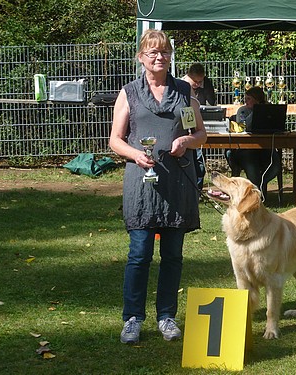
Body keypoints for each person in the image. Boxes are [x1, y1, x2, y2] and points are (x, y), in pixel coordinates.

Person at [109, 29, 207, 344]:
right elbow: (114, 140)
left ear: (170, 56)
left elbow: (200, 135)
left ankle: (167, 317)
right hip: (142, 185)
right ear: (141, 57)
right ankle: (133, 319)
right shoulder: (128, 93)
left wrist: (185, 140)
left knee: (173, 256)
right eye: (152, 52)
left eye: (164, 52)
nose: (159, 57)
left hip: (178, 183)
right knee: (139, 255)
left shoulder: (184, 92)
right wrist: (136, 154)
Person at [225, 86, 281, 201]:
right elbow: (244, 126)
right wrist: (256, 111)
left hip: (265, 148)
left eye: (249, 99)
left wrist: (264, 109)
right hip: (245, 150)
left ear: (257, 99)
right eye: (245, 98)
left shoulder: (269, 108)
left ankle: (259, 186)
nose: (246, 101)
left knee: (275, 165)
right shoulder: (242, 110)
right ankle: (257, 195)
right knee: (251, 164)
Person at [182, 63, 216, 192]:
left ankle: (198, 190)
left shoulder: (206, 84)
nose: (197, 84)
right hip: (185, 128)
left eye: (200, 81)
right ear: (188, 76)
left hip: (200, 124)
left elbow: (211, 104)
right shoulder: (180, 84)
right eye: (194, 81)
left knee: (200, 160)